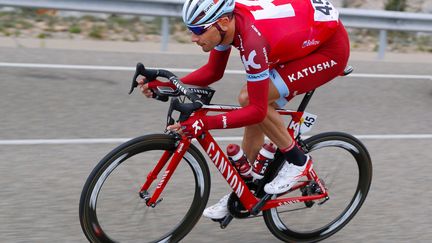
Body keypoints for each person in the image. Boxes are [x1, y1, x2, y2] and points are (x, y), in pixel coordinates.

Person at [138, 0, 350, 220]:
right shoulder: (226, 24)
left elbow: (257, 110)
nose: (193, 38)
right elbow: (212, 72)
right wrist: (167, 84)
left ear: (222, 22)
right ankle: (244, 191)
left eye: (198, 31)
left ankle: (299, 163)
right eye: (191, 30)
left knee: (250, 99)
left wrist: (205, 122)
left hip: (328, 51)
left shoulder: (252, 42)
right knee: (255, 102)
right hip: (297, 37)